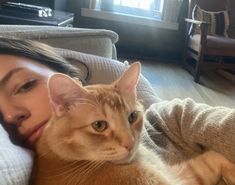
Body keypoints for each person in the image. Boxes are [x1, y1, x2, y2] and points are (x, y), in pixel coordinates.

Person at [0, 37, 234, 185]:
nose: (129, 142)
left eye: (25, 85)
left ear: (66, 87)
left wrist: (218, 163)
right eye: (100, 125)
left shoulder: (168, 118)